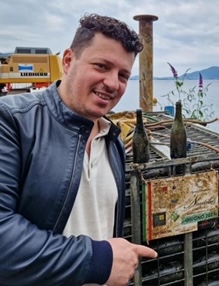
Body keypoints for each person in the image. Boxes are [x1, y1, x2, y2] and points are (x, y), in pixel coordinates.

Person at [0, 14, 157, 285]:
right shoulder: (13, 122)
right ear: (69, 61)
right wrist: (98, 260)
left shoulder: (112, 139)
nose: (112, 83)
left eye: (123, 75)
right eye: (101, 66)